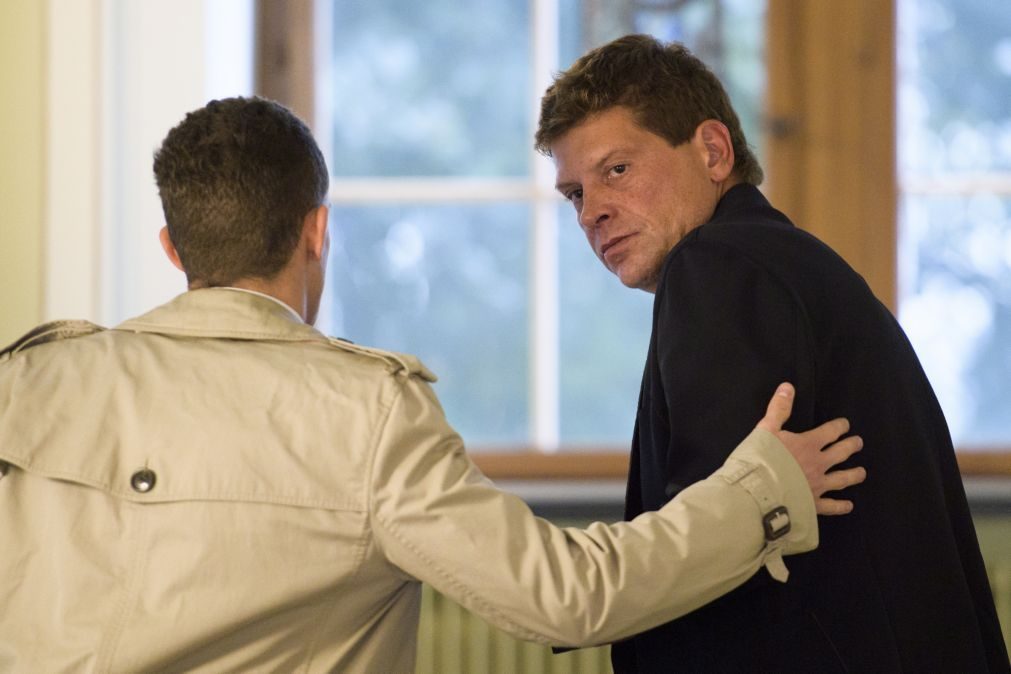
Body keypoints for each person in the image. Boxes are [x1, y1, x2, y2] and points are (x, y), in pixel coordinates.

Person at [0, 96, 864, 673]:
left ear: (172, 247)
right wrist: (760, 495)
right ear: (317, 232)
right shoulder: (364, 411)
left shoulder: (26, 384)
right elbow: (568, 597)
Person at [536, 34, 1010, 673]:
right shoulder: (790, 266)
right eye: (574, 194)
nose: (592, 213)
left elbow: (715, 557)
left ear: (712, 150)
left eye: (616, 170)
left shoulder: (718, 266)